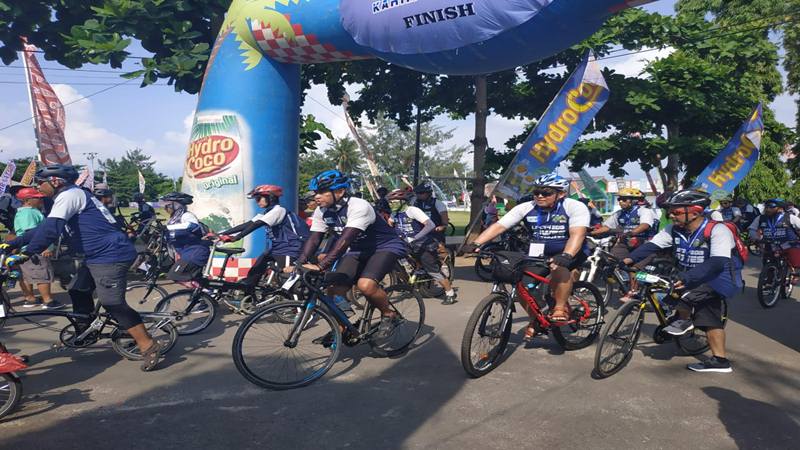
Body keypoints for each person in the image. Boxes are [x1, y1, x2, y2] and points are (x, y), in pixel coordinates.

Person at [4, 164, 164, 371]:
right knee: (77, 289)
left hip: (110, 255)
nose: (38, 187)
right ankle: (85, 331)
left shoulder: (71, 195)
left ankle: (148, 344)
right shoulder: (65, 197)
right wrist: (13, 243)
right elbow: (44, 227)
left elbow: (51, 230)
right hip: (96, 255)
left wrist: (25, 253)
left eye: (40, 182)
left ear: (55, 181)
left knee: (112, 302)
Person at [623, 189, 741, 373]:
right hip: (688, 274)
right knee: (666, 289)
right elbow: (652, 246)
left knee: (702, 312)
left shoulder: (717, 229)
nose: (671, 215)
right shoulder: (674, 229)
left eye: (676, 212)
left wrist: (688, 278)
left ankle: (720, 361)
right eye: (670, 211)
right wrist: (626, 261)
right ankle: (682, 318)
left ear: (695, 212)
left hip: (717, 277)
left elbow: (718, 262)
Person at [469, 173, 590, 336]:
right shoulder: (527, 207)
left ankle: (560, 307)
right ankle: (535, 319)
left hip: (570, 250)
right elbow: (499, 226)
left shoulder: (574, 206)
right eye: (536, 192)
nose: (539, 196)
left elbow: (577, 234)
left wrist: (566, 255)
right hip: (539, 251)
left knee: (559, 269)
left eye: (546, 192)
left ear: (560, 194)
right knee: (521, 283)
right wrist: (477, 243)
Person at [297, 169, 407, 339]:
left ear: (340, 192)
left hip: (384, 247)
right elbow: (314, 239)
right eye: (315, 193)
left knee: (365, 285)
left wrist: (321, 266)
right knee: (334, 289)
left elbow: (344, 241)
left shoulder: (358, 206)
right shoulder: (322, 211)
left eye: (321, 192)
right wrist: (299, 262)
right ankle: (343, 329)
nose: (316, 196)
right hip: (358, 249)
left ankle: (389, 314)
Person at [216, 184, 309, 288]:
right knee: (254, 272)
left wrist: (236, 237)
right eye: (256, 199)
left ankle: (296, 302)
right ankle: (251, 295)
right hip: (276, 248)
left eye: (259, 198)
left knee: (288, 280)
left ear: (271, 197)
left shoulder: (279, 210)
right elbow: (247, 225)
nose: (257, 202)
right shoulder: (267, 213)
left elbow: (257, 224)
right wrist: (221, 234)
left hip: (289, 248)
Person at [386, 189, 457, 305]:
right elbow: (390, 224)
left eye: (394, 202)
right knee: (392, 256)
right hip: (406, 243)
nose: (391, 204)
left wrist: (415, 237)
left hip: (422, 244)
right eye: (390, 202)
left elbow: (430, 225)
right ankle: (411, 273)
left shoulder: (412, 210)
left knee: (433, 271)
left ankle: (450, 293)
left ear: (403, 201)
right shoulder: (395, 213)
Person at [591, 187, 656, 301]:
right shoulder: (619, 214)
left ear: (634, 201)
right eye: (619, 199)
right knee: (611, 261)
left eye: (624, 199)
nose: (620, 201)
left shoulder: (644, 211)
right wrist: (591, 232)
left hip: (644, 243)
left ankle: (633, 291)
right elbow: (606, 227)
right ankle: (625, 281)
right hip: (626, 242)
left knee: (633, 268)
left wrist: (632, 232)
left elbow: (645, 225)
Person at [13, 187, 61, 309]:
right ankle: (48, 300)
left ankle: (30, 298)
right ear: (28, 200)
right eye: (37, 198)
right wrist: (44, 247)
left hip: (26, 249)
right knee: (42, 274)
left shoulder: (24, 212)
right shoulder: (29, 213)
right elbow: (31, 231)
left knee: (27, 274)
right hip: (35, 249)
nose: (40, 200)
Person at [161, 192, 211, 281]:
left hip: (194, 252)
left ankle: (206, 293)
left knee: (174, 276)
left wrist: (168, 227)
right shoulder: (174, 218)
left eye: (168, 205)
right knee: (194, 280)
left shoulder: (186, 215)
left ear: (176, 205)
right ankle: (205, 293)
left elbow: (193, 226)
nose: (165, 207)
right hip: (185, 253)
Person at [748, 198, 800, 271]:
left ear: (780, 208)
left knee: (795, 266)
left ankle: (794, 276)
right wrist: (757, 238)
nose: (768, 209)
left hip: (789, 245)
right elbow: (752, 229)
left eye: (772, 207)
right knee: (766, 268)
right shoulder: (761, 218)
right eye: (767, 207)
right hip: (770, 245)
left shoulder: (790, 217)